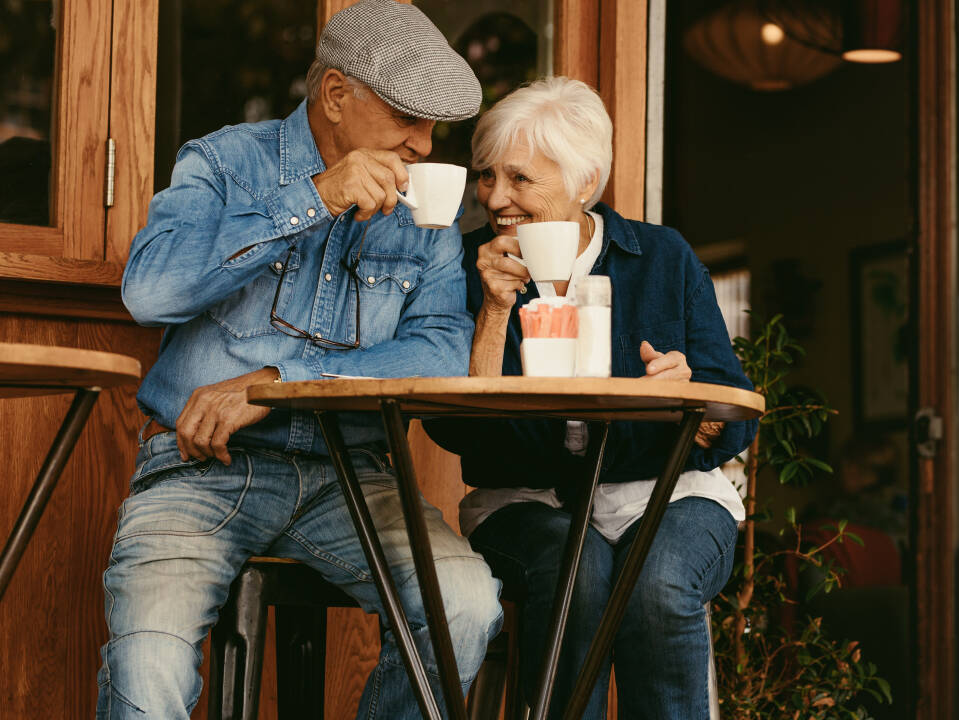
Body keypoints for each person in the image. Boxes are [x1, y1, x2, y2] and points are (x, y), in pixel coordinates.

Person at [97, 2, 502, 718]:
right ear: (337, 95)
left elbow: (440, 347)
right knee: (149, 660)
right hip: (201, 473)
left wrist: (281, 383)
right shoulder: (224, 161)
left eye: (433, 126)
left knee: (466, 608)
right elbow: (149, 291)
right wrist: (313, 198)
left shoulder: (429, 207)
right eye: (407, 117)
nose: (422, 144)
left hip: (354, 480)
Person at [425, 76, 758, 720]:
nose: (496, 198)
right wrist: (494, 310)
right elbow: (454, 428)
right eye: (486, 176)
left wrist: (689, 401)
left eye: (520, 179)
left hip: (666, 493)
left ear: (584, 182)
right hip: (525, 500)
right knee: (576, 576)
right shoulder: (466, 264)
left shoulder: (661, 256)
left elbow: (733, 403)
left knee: (656, 584)